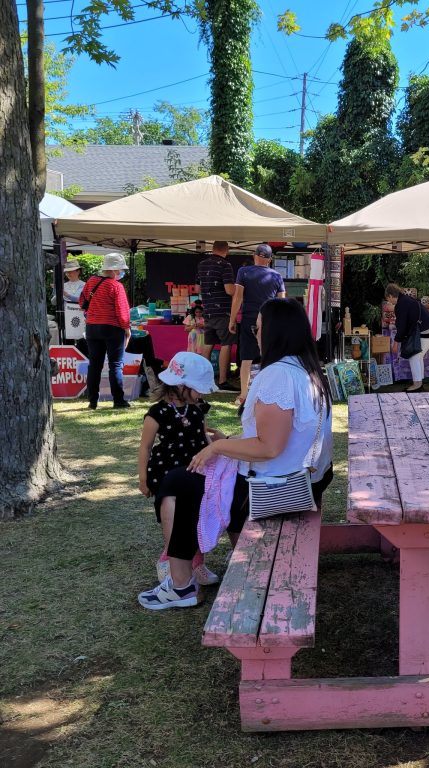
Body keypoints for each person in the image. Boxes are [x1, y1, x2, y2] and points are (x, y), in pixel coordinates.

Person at [137, 298, 334, 610]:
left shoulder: (278, 375)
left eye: (258, 329)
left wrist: (217, 446)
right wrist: (229, 440)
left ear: (275, 332)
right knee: (188, 480)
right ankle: (187, 573)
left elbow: (269, 447)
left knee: (177, 483)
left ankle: (180, 583)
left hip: (274, 491)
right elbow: (282, 437)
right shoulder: (307, 369)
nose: (255, 335)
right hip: (301, 482)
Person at [137, 352, 222, 586]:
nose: (203, 394)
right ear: (182, 385)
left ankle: (197, 562)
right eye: (200, 388)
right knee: (172, 509)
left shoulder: (197, 409)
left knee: (199, 514)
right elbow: (145, 447)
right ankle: (169, 556)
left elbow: (203, 437)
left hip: (195, 469)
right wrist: (143, 479)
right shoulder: (157, 413)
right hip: (167, 472)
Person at [228, 243, 286, 405]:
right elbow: (281, 302)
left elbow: (238, 297)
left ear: (255, 256)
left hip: (248, 320)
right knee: (270, 357)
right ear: (269, 260)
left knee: (246, 358)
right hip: (269, 321)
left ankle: (244, 395)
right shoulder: (277, 276)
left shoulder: (243, 272)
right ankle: (270, 393)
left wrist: (232, 320)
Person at [79, 252, 132, 410]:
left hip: (92, 328)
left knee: (94, 365)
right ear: (115, 270)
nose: (121, 273)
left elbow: (82, 302)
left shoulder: (91, 281)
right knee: (115, 365)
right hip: (112, 328)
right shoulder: (116, 286)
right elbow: (122, 312)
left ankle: (93, 401)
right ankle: (119, 400)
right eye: (121, 269)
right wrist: (127, 329)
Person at [198, 241, 239, 392]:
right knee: (225, 344)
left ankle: (202, 378)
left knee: (208, 344)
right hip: (223, 311)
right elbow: (229, 290)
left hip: (208, 310)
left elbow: (197, 287)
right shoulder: (225, 265)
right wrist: (238, 289)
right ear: (226, 250)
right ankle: (222, 380)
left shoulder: (202, 264)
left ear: (213, 248)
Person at [385, 284, 429, 392]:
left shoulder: (401, 304)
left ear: (391, 295)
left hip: (427, 329)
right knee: (417, 356)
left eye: (388, 299)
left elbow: (402, 326)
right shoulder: (406, 299)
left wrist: (396, 342)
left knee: (414, 356)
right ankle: (419, 383)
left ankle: (417, 384)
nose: (389, 302)